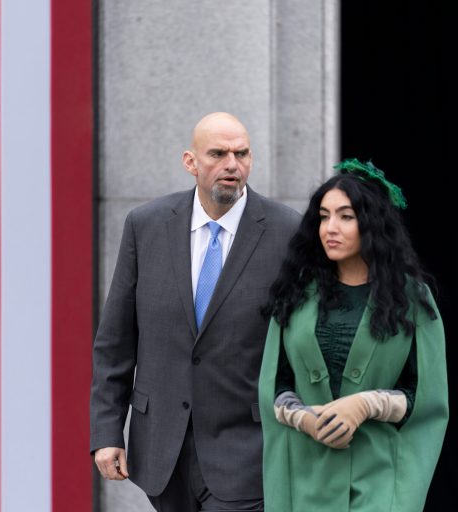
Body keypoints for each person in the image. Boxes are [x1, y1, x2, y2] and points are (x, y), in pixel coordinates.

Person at [90, 112, 301, 511]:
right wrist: (106, 432)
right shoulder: (146, 225)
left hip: (247, 450)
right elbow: (116, 341)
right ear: (191, 162)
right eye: (218, 154)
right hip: (161, 451)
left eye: (242, 154)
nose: (232, 165)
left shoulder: (286, 230)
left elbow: (301, 344)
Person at [258, 158, 449, 511]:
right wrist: (305, 418)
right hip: (304, 479)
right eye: (324, 216)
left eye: (346, 216)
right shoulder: (295, 294)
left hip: (380, 479)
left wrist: (365, 403)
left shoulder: (412, 298)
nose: (331, 227)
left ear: (372, 224)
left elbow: (426, 397)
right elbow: (274, 385)